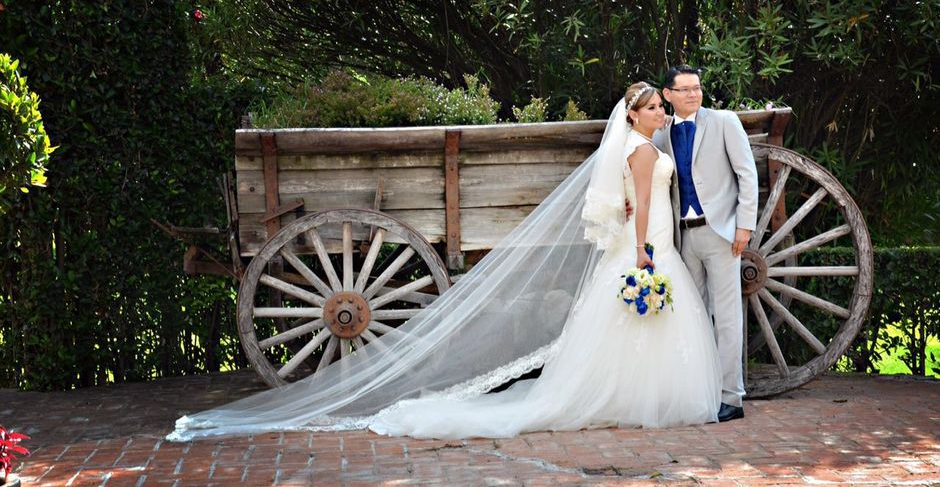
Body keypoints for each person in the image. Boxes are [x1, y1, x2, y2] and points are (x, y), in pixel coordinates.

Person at [167, 83, 721, 442]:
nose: (660, 112)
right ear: (634, 114)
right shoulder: (644, 150)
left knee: (617, 320)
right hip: (648, 241)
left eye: (660, 106)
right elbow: (643, 202)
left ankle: (623, 390)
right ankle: (639, 393)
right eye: (652, 107)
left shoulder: (635, 144)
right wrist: (646, 249)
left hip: (638, 238)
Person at [651, 65, 759, 422]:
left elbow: (747, 174)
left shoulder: (724, 121)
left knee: (726, 318)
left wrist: (744, 227)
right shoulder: (662, 133)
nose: (693, 94)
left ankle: (732, 397)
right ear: (668, 95)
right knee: (693, 318)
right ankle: (701, 390)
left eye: (696, 88)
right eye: (684, 90)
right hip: (683, 236)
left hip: (722, 235)